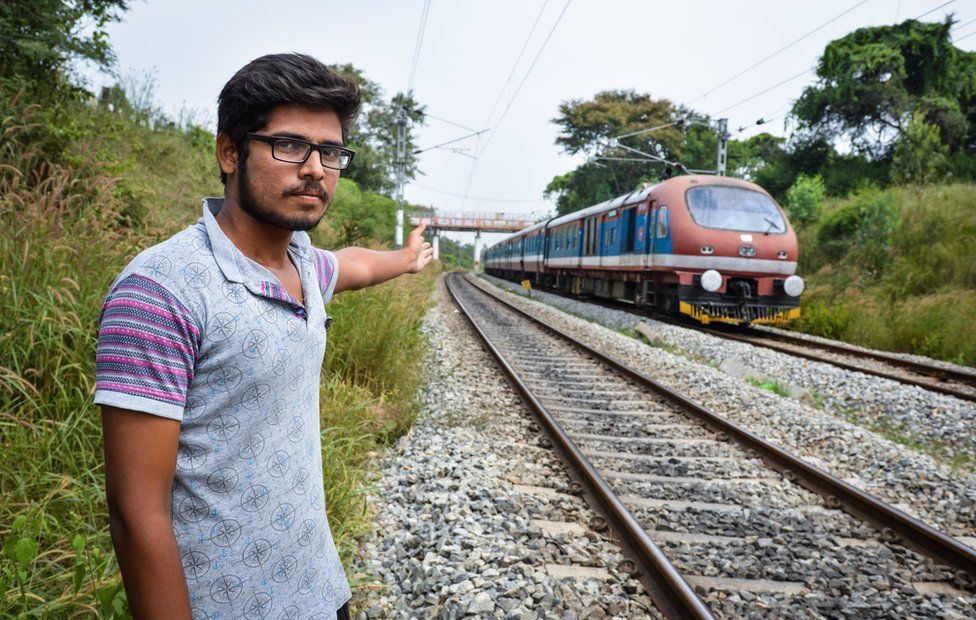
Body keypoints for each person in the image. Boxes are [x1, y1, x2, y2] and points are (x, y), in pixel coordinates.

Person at [95, 53, 433, 620]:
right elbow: (137, 515)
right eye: (290, 146)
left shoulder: (304, 264)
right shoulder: (159, 291)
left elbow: (352, 265)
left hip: (322, 588)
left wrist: (404, 258)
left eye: (330, 152)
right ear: (230, 152)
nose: (315, 169)